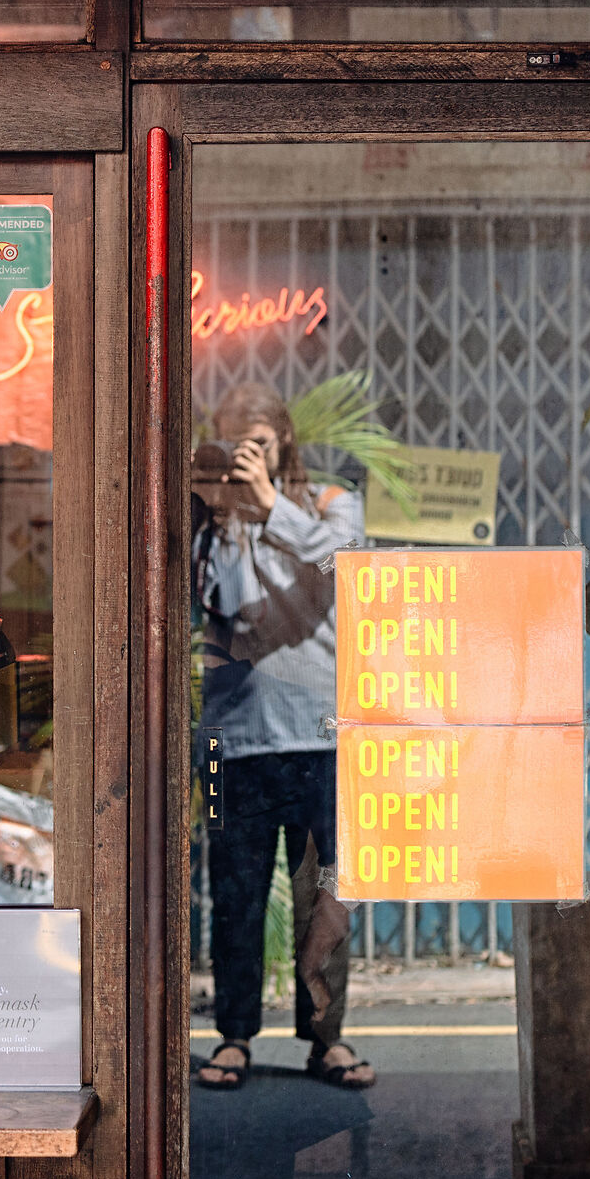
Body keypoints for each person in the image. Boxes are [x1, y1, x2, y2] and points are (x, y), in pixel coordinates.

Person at [191, 383, 374, 1092]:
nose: (250, 456)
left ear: (285, 443)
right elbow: (234, 609)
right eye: (240, 442)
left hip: (324, 736)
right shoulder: (214, 522)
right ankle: (233, 1036)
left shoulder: (329, 503)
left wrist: (272, 508)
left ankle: (327, 1037)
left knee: (325, 893)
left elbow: (348, 568)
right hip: (227, 740)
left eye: (260, 442)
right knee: (232, 890)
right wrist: (236, 521)